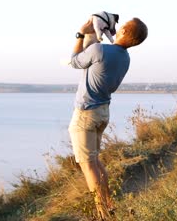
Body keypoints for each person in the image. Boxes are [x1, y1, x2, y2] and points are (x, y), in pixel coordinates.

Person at [68, 17, 148, 219]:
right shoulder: (125, 57)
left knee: (88, 164)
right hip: (103, 112)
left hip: (86, 114)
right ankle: (108, 203)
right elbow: (103, 51)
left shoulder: (99, 51)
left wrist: (80, 33)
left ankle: (102, 212)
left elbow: (75, 60)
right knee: (95, 161)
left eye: (122, 27)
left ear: (123, 32)